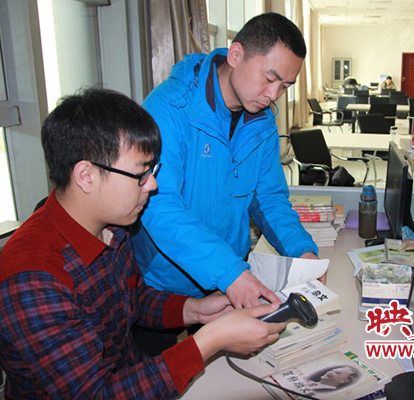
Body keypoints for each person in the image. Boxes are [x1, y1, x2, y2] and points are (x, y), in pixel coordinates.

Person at [0, 88, 285, 399]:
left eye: (153, 171)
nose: (152, 184)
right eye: (140, 174)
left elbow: (129, 298)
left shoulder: (112, 226)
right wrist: (208, 342)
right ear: (86, 176)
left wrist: (194, 311)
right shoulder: (33, 278)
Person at [131, 12, 320, 310]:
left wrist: (302, 252)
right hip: (166, 284)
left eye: (285, 86)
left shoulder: (263, 121)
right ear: (235, 55)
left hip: (229, 274)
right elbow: (159, 204)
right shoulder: (169, 108)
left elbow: (269, 198)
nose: (273, 95)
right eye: (269, 78)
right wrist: (230, 273)